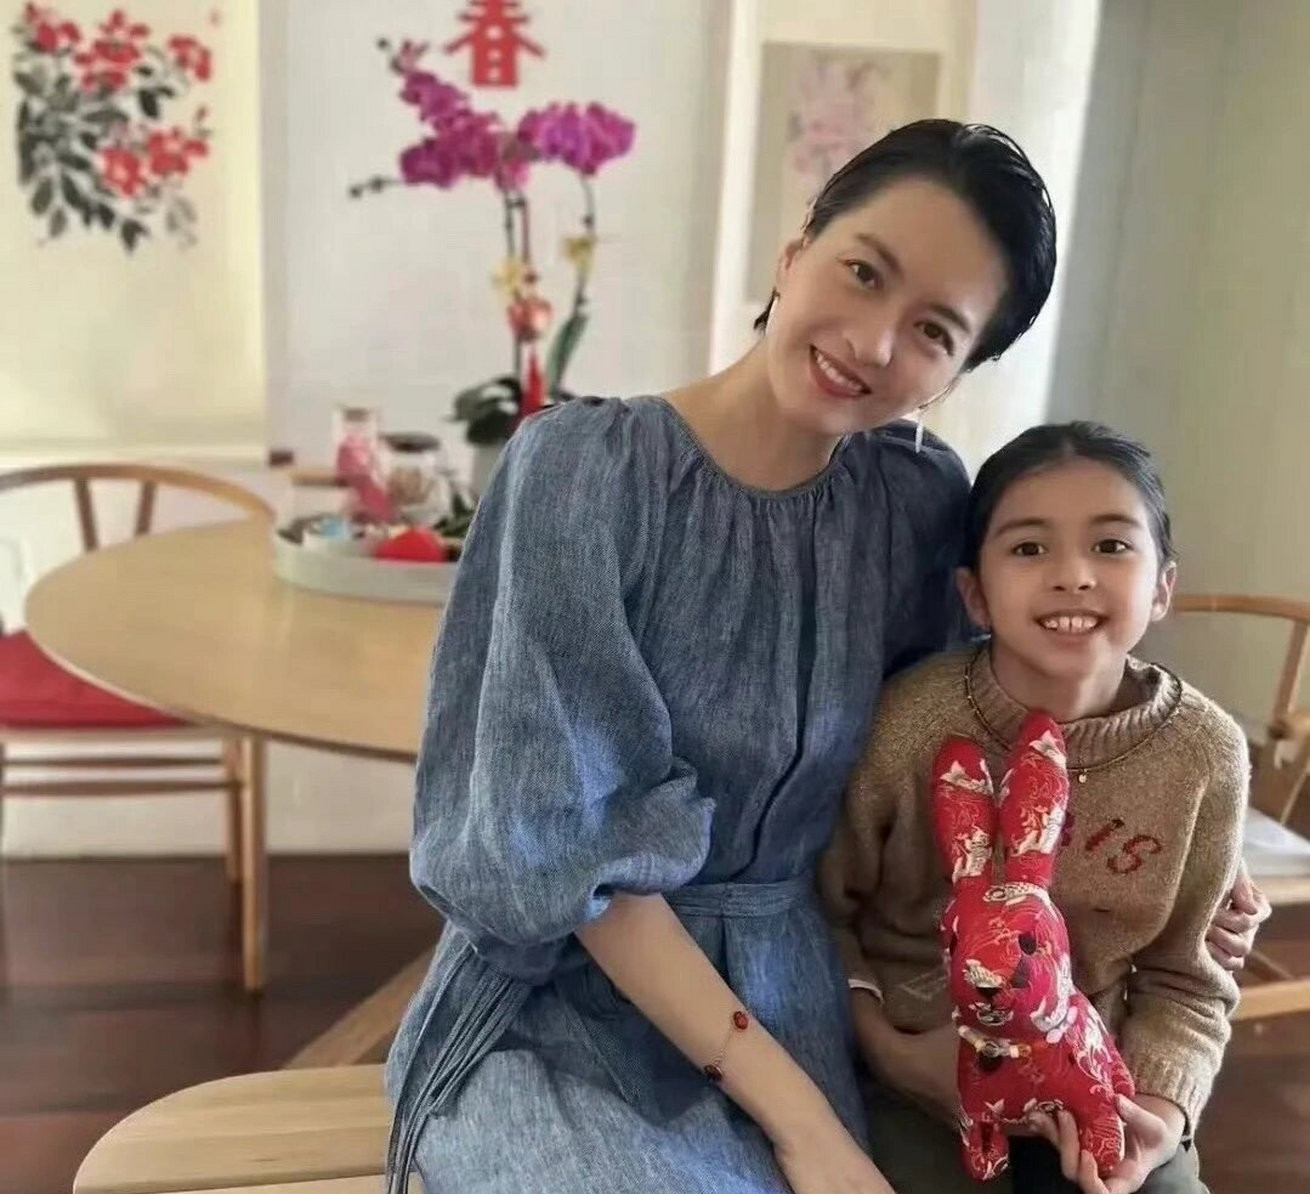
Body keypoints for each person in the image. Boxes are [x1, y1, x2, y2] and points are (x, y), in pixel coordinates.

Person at [383, 121, 1263, 1194]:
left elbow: (980, 729)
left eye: (933, 330)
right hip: (562, 1005)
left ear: (958, 369)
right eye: (862, 271)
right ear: (795, 249)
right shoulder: (582, 474)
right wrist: (805, 1126)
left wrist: (1186, 851)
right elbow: (566, 853)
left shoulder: (915, 500)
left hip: (805, 990)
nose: (874, 342)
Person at [819, 423, 1262, 1194]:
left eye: (1112, 546)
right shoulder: (910, 723)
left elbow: (1187, 980)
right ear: (974, 594)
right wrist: (890, 1050)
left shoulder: (1206, 755)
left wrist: (1159, 1116)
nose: (1073, 576)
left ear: (1163, 587)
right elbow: (825, 913)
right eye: (1029, 548)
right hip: (916, 1068)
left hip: (1098, 1075)